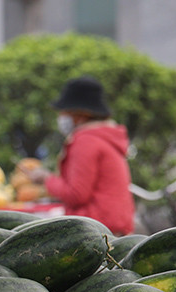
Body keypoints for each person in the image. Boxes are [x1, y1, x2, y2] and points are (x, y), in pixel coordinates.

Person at [28, 76, 135, 236]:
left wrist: (46, 179)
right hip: (114, 226)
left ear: (81, 114)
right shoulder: (103, 136)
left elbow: (76, 194)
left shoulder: (86, 141)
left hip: (96, 229)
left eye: (65, 111)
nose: (61, 116)